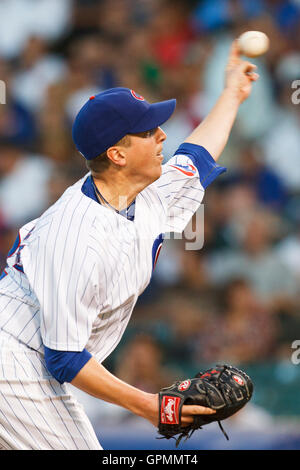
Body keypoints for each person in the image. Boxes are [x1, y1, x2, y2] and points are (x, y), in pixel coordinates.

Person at [0, 41, 258, 450]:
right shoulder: (75, 236)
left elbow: (199, 156)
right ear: (118, 154)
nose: (162, 135)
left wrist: (231, 94)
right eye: (147, 131)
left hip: (34, 362)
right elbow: (64, 358)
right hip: (15, 362)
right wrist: (150, 405)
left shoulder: (143, 192)